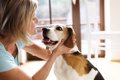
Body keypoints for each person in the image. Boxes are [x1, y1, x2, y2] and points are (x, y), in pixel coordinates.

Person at [0, 0, 74, 80]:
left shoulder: (17, 39)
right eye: (32, 18)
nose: (37, 21)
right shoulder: (1, 58)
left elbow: (44, 54)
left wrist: (71, 57)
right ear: (19, 22)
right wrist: (54, 55)